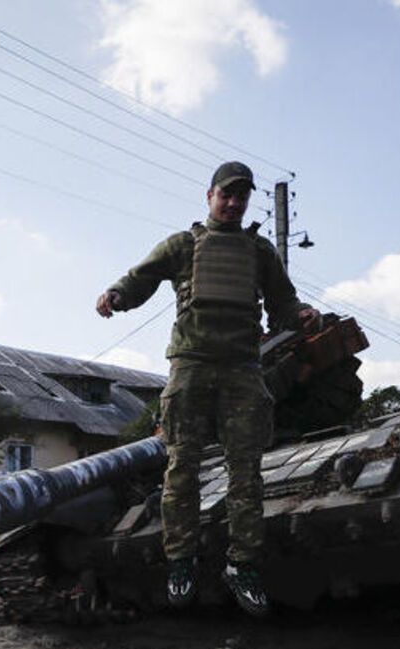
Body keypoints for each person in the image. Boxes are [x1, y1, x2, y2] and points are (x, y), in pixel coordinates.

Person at [95, 161, 321, 616]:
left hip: (241, 366)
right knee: (181, 466)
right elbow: (143, 275)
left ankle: (243, 565)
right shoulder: (183, 245)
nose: (234, 202)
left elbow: (283, 302)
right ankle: (181, 560)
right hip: (192, 364)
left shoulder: (260, 251)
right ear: (210, 196)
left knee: (246, 473)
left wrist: (301, 316)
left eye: (242, 196)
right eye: (227, 194)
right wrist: (117, 295)